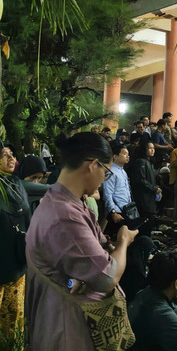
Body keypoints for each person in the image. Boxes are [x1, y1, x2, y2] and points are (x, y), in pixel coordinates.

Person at [25, 132, 139, 349]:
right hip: (67, 328)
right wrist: (123, 241)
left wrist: (79, 279)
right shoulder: (65, 215)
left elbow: (67, 270)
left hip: (62, 316)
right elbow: (107, 276)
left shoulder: (66, 203)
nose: (105, 180)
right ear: (92, 165)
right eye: (106, 172)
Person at [0, 144, 30, 337]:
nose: (11, 158)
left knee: (13, 326)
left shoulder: (16, 184)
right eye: (4, 155)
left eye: (12, 155)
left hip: (16, 268)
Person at [130, 141, 162, 236]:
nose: (152, 150)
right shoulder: (141, 162)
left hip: (148, 197)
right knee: (146, 222)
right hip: (144, 198)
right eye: (150, 148)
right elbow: (141, 180)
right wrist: (154, 189)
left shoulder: (148, 162)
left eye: (153, 148)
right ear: (144, 150)